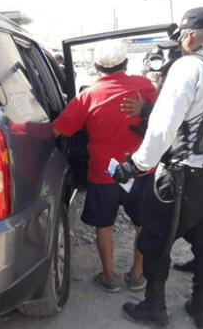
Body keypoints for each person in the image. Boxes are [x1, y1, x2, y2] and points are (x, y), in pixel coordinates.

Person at [113, 7, 203, 328]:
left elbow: (163, 127)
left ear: (189, 37)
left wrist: (136, 165)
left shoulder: (190, 65)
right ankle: (200, 310)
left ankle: (155, 309)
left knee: (154, 243)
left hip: (185, 179)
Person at [53, 39, 158, 293]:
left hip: (104, 173)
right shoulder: (144, 86)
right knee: (141, 224)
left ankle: (109, 277)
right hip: (140, 170)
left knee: (104, 225)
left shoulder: (88, 96)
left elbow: (58, 129)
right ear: (126, 63)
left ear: (96, 66)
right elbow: (163, 116)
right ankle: (136, 275)